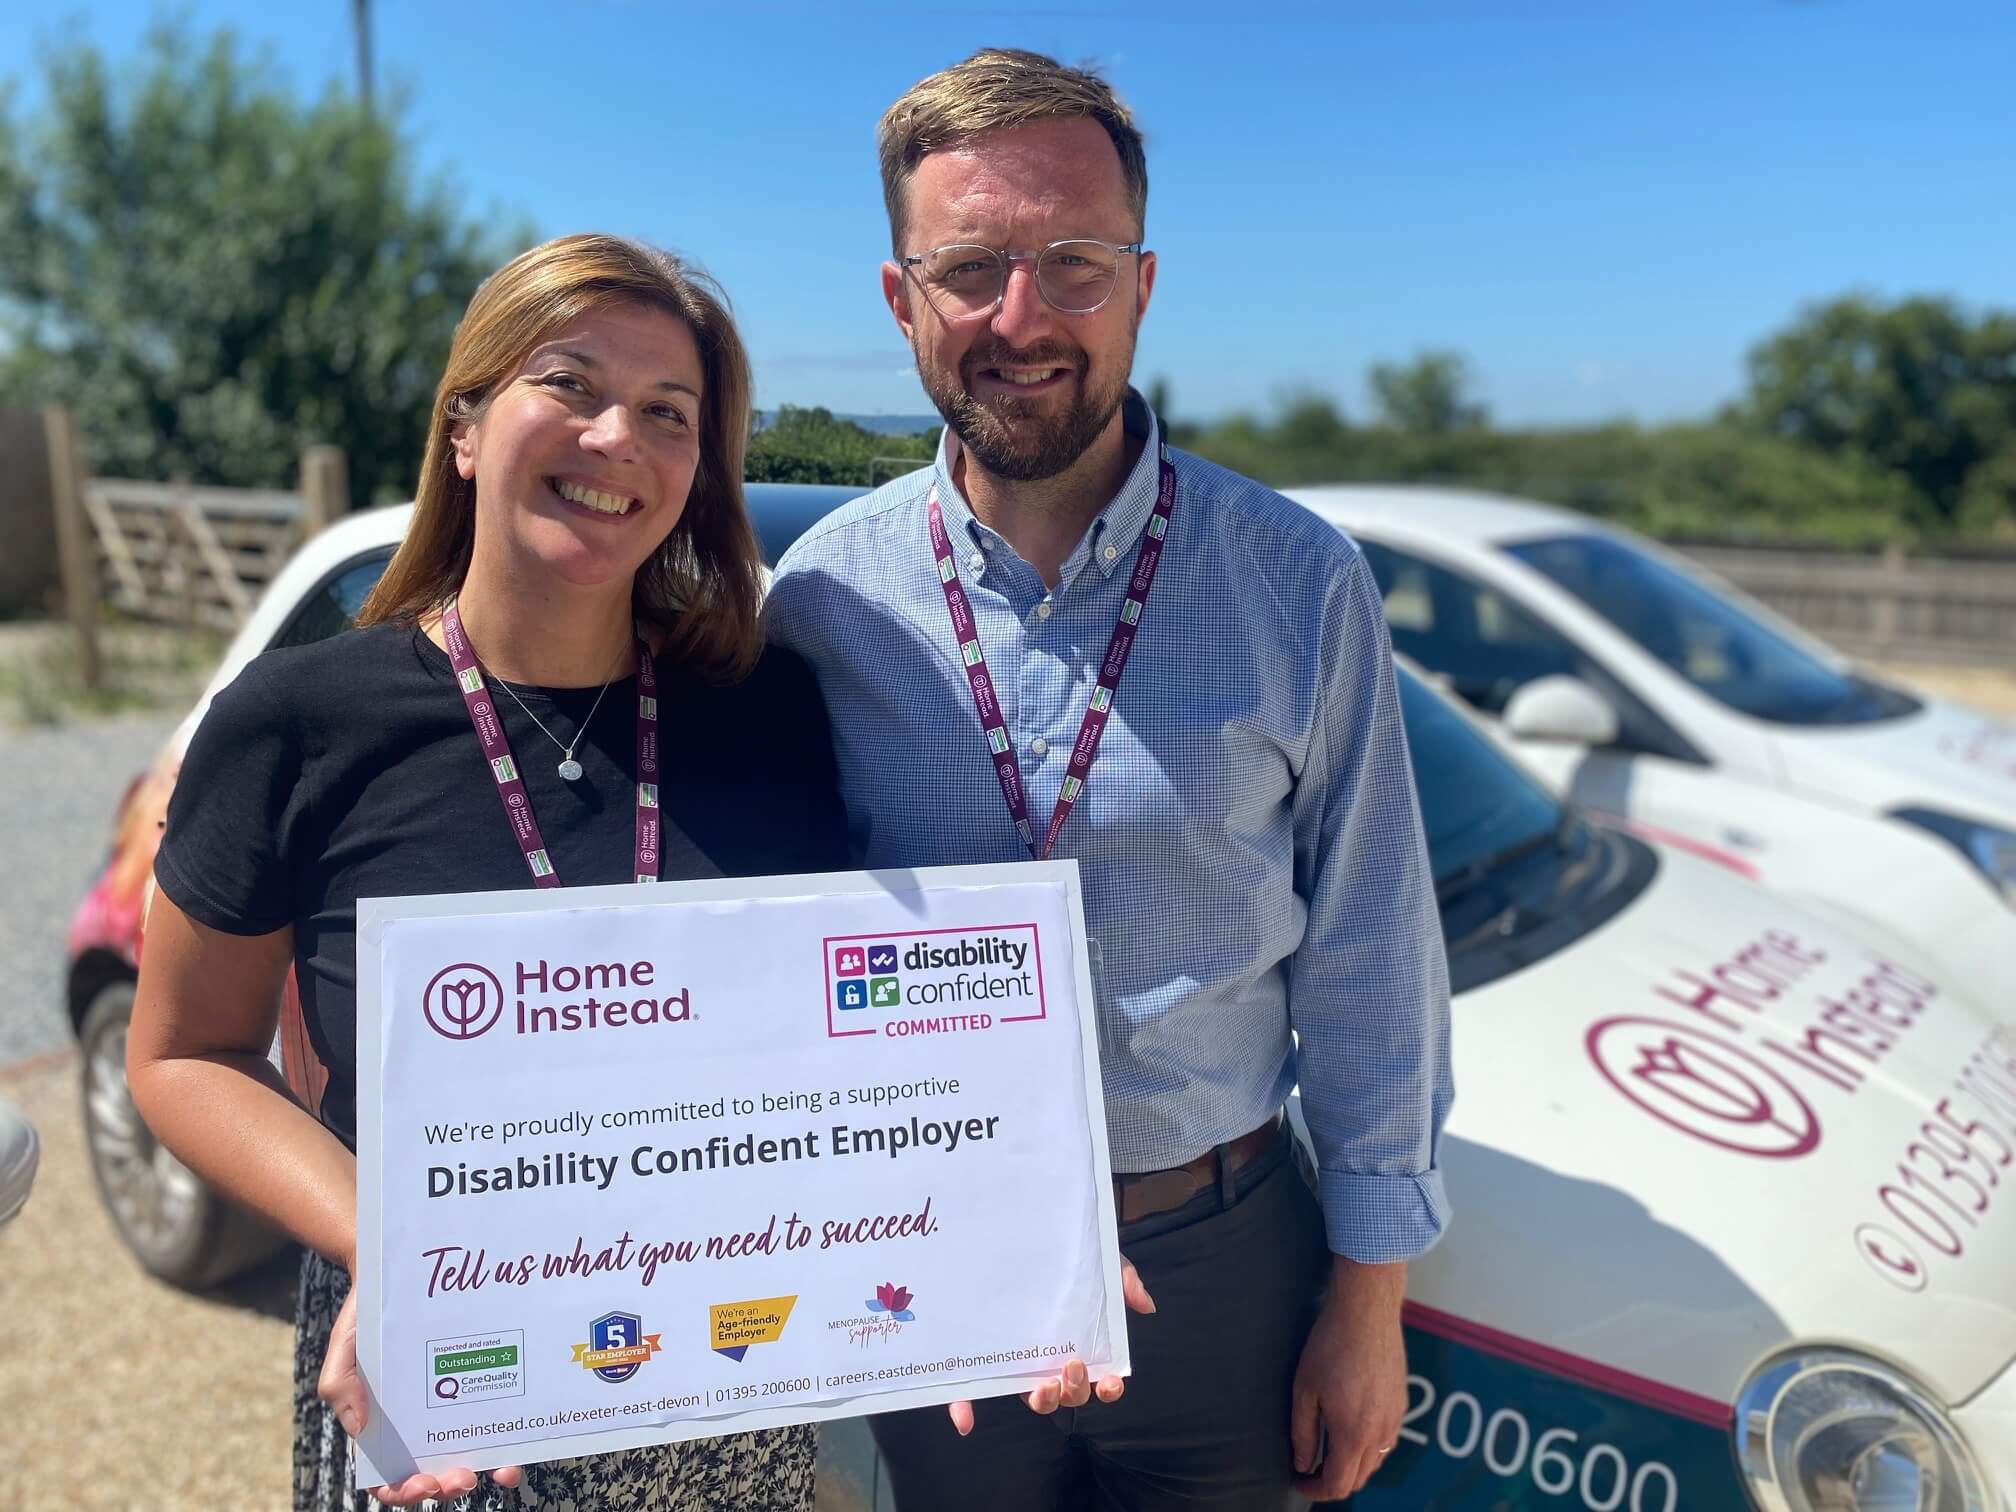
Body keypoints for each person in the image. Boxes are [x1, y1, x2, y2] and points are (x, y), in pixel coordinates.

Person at [767, 50, 1453, 1509]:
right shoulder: (820, 601)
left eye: (1072, 265)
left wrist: (1370, 1298)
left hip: (1223, 1263)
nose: (1021, 319)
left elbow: (1373, 949)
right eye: (970, 269)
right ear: (901, 302)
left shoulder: (1297, 581)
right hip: (929, 1266)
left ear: (1141, 286)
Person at [128, 233, 847, 1512]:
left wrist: (1004, 1261)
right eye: (568, 383)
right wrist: (393, 1257)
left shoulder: (768, 709)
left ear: (699, 465)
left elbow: (845, 1037)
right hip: (437, 1374)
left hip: (726, 1370)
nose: (617, 435)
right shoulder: (299, 721)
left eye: (668, 412)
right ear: (464, 425)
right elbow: (182, 1054)